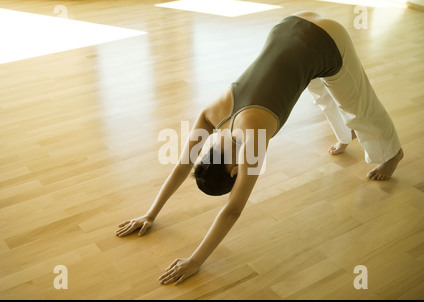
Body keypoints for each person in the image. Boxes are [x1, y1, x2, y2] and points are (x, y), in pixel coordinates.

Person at [115, 11, 403, 285]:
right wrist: (149, 215)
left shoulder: (252, 139)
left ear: (232, 169)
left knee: (358, 106)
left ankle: (393, 154)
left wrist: (195, 261)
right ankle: (344, 135)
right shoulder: (211, 114)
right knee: (315, 84)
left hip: (330, 38)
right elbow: (183, 165)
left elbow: (233, 210)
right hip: (289, 24)